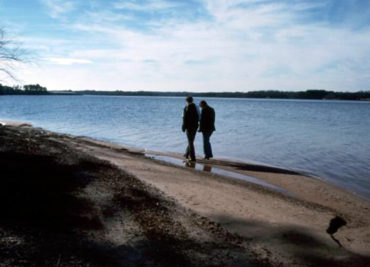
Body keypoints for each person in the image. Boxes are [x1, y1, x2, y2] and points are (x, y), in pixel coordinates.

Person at [182, 96, 199, 162]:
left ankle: (192, 157)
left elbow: (184, 118)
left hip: (188, 127)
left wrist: (183, 126)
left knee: (190, 141)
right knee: (191, 140)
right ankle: (187, 154)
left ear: (186, 101)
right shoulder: (196, 107)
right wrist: (199, 124)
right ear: (192, 100)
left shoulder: (186, 107)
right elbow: (199, 116)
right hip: (195, 126)